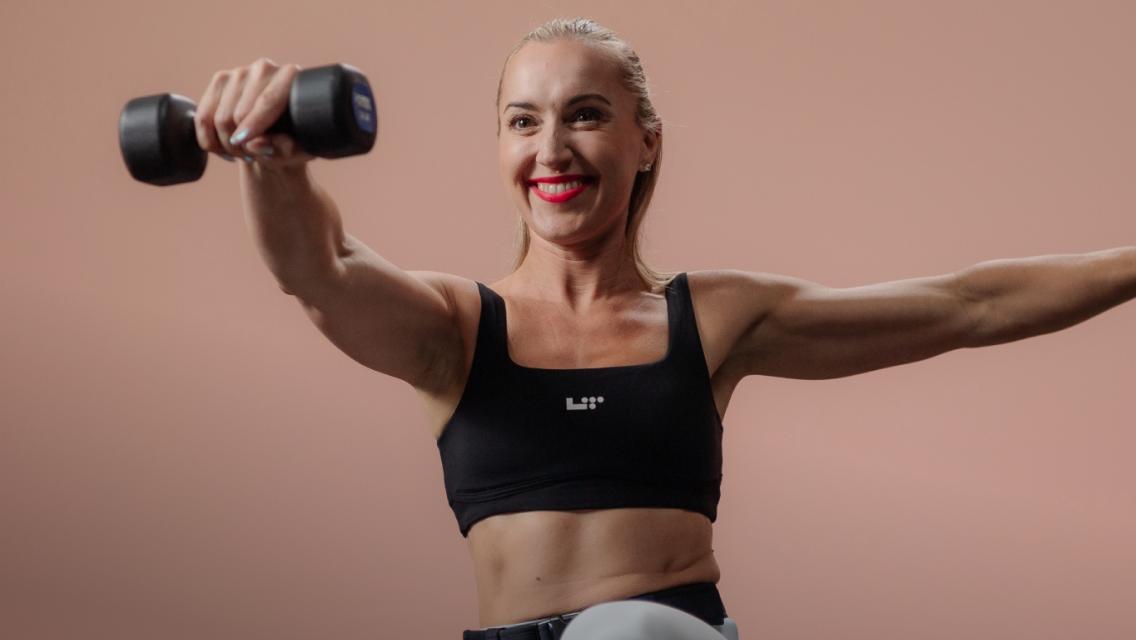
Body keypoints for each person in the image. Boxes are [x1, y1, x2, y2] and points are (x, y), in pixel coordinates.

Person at [191, 16, 1135, 640]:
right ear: (502, 147)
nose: (552, 150)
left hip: (664, 633)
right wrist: (272, 163)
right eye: (524, 122)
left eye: (586, 116)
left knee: (627, 632)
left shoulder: (716, 318)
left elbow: (973, 305)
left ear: (646, 141)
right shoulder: (454, 328)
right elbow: (322, 269)